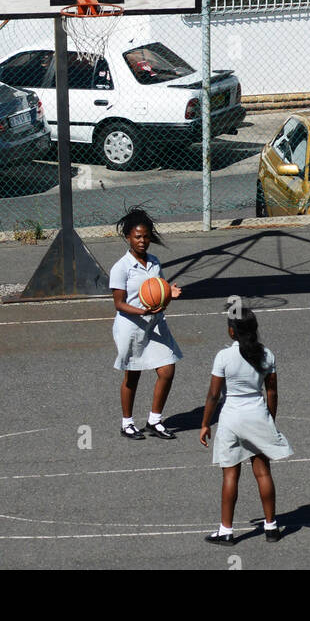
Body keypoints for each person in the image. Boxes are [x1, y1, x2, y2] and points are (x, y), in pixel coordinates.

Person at [200, 306, 292, 542]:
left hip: (231, 418)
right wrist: (269, 420)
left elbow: (213, 395)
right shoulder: (267, 355)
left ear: (232, 332)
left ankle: (226, 531)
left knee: (230, 474)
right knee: (263, 472)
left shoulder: (223, 357)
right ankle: (271, 527)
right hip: (257, 415)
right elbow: (272, 393)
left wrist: (205, 423)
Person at [109, 208, 182, 439]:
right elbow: (119, 304)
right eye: (138, 237)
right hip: (131, 327)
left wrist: (169, 292)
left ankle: (154, 420)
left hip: (155, 324)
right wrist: (143, 310)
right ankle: (127, 423)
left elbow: (157, 289)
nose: (142, 241)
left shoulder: (154, 262)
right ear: (129, 238)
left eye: (146, 236)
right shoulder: (121, 267)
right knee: (133, 375)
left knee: (167, 370)